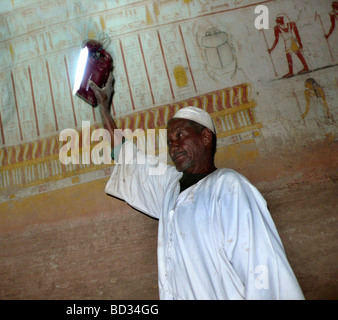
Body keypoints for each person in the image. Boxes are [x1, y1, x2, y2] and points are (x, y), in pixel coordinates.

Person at [89, 74, 305, 300]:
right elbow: (126, 155)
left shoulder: (230, 187)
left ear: (205, 138)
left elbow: (262, 267)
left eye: (180, 135)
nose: (174, 146)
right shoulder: (169, 187)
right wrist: (104, 108)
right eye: (170, 141)